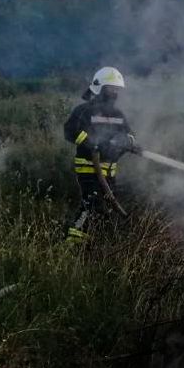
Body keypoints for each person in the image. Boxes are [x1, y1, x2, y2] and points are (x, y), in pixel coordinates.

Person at [63, 66, 141, 244]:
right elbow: (69, 131)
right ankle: (73, 236)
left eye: (117, 89)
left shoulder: (118, 115)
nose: (114, 92)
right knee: (92, 202)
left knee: (107, 207)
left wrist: (131, 143)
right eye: (111, 88)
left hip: (109, 173)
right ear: (99, 87)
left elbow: (129, 134)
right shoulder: (84, 111)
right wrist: (91, 142)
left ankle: (95, 240)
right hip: (89, 169)